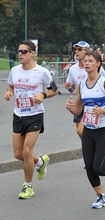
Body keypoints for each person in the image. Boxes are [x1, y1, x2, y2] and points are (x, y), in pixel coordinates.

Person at [65, 51, 105, 209]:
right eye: (85, 61)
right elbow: (78, 110)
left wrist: (104, 110)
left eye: (90, 61)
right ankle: (101, 196)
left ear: (98, 63)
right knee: (89, 166)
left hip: (104, 129)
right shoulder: (82, 84)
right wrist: (71, 108)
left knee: (99, 167)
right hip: (88, 130)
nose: (86, 63)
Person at [4, 40, 58, 199]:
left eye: (24, 52)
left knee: (27, 151)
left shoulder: (42, 72)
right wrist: (8, 93)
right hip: (18, 114)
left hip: (35, 115)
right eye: (19, 51)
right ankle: (40, 162)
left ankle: (28, 186)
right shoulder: (14, 70)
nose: (20, 54)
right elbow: (11, 87)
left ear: (32, 54)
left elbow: (54, 90)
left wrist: (43, 95)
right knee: (18, 154)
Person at [65, 41, 105, 140]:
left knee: (82, 131)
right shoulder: (73, 69)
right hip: (80, 102)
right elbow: (72, 89)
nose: (76, 52)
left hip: (93, 103)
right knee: (81, 133)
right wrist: (69, 87)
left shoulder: (95, 66)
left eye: (80, 49)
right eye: (75, 49)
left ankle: (95, 147)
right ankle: (90, 149)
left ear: (87, 51)